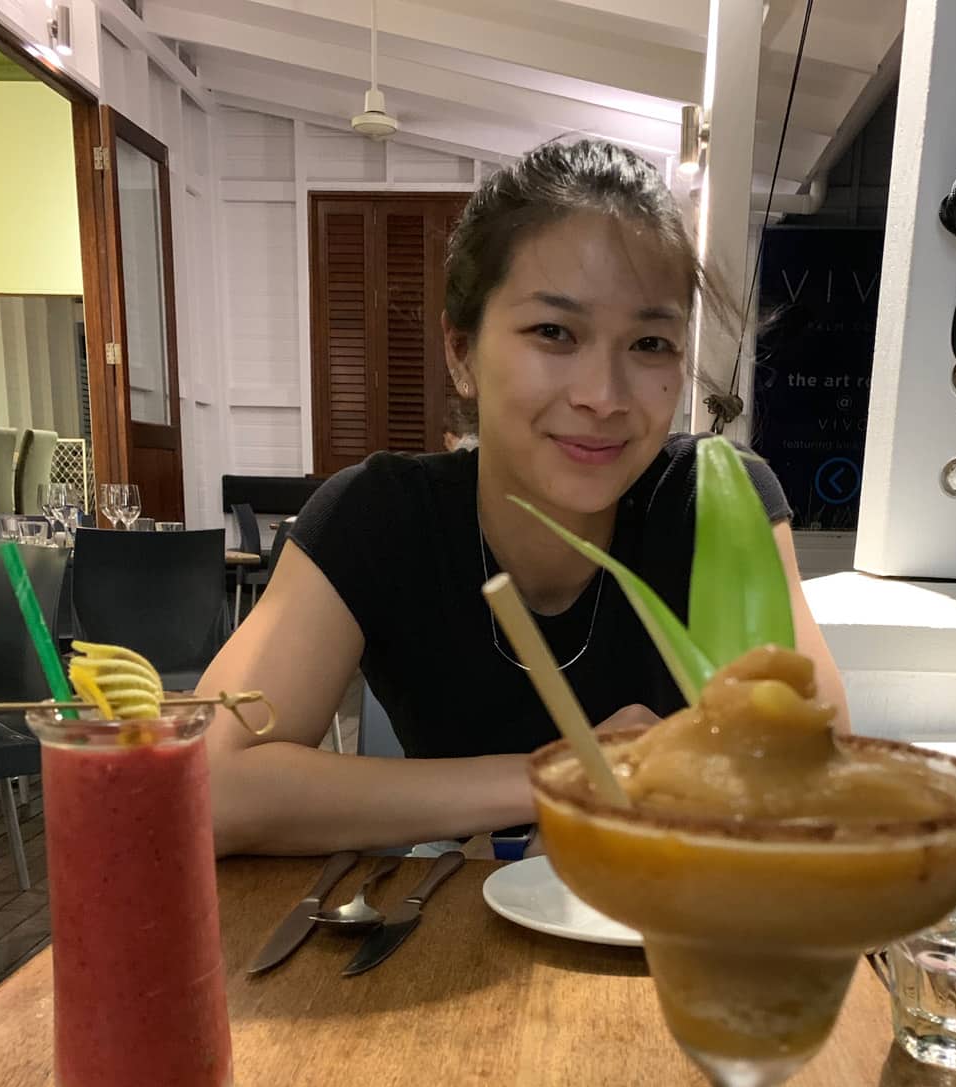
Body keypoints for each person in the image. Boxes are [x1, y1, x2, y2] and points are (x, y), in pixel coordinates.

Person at [201, 139, 849, 857]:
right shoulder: (381, 518)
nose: (603, 397)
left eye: (650, 344)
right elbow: (205, 785)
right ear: (460, 351)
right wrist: (559, 776)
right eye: (554, 332)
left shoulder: (713, 503)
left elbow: (817, 779)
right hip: (452, 935)